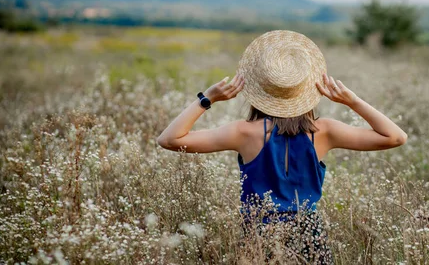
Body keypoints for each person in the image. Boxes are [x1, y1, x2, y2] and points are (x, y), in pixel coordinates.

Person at [156, 30, 408, 264]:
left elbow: (169, 140)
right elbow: (395, 137)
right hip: (310, 235)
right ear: (308, 90)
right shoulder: (324, 131)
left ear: (258, 90)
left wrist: (206, 99)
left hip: (258, 236)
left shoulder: (242, 132)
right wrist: (352, 101)